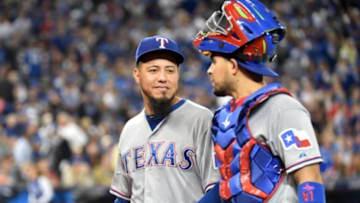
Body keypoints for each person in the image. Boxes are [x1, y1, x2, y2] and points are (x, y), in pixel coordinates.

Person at [193, 0, 326, 203]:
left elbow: (310, 179)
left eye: (214, 61)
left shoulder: (282, 109)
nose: (209, 70)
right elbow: (228, 186)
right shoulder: (224, 118)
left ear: (233, 66)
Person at [109, 35, 220, 203]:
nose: (163, 78)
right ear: (137, 75)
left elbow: (217, 189)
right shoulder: (130, 129)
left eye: (170, 70)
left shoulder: (202, 119)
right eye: (153, 70)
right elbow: (123, 196)